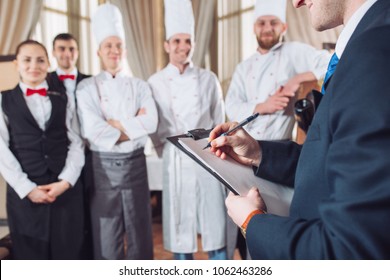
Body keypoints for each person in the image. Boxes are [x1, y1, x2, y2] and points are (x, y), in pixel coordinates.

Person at [209, 0, 390, 259]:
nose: (296, 2)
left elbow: (349, 251)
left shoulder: (374, 50)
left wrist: (252, 222)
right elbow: (331, 156)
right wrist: (260, 152)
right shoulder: (363, 41)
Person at [76, 3, 157, 260]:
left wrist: (114, 124)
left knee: (140, 230)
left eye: (118, 45)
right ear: (99, 51)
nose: (114, 50)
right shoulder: (86, 88)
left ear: (125, 49)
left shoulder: (140, 85)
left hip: (135, 165)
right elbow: (92, 131)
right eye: (108, 46)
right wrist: (133, 125)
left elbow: (152, 122)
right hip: (103, 168)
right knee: (106, 232)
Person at [148, 0, 227, 260]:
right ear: (166, 45)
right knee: (180, 227)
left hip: (207, 155)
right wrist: (168, 151)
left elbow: (219, 119)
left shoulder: (208, 78)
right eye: (177, 41)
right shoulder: (155, 82)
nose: (183, 47)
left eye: (188, 41)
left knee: (215, 225)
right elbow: (154, 127)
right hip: (176, 158)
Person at [0, 40, 85, 259]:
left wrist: (65, 181)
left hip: (65, 193)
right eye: (27, 60)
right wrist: (28, 188)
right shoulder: (4, 100)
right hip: (25, 195)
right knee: (31, 258)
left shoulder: (64, 99)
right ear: (16, 64)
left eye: (40, 60)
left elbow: (76, 143)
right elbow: (1, 151)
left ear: (48, 63)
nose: (33, 66)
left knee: (68, 254)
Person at [225, 0, 330, 141]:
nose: (268, 29)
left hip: (280, 146)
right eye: (261, 23)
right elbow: (231, 107)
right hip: (245, 142)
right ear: (254, 28)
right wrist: (263, 106)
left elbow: (329, 61)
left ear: (284, 27)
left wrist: (297, 79)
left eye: (274, 23)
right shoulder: (243, 67)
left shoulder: (292, 51)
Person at [46, 32, 92, 259]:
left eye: (71, 49)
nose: (66, 54)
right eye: (61, 49)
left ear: (78, 52)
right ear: (54, 52)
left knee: (90, 211)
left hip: (92, 156)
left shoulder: (91, 80)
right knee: (66, 217)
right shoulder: (44, 81)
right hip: (59, 159)